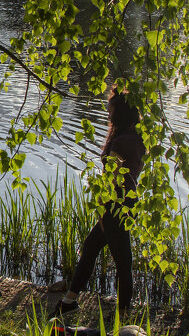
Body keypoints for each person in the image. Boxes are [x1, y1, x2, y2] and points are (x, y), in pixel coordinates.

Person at [55, 88, 146, 316]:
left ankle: (123, 312)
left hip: (116, 205)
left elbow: (112, 181)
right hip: (126, 203)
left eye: (111, 107)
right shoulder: (135, 137)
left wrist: (103, 210)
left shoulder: (123, 142)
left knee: (123, 260)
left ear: (120, 112)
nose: (108, 110)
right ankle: (70, 301)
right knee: (91, 247)